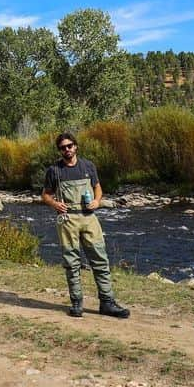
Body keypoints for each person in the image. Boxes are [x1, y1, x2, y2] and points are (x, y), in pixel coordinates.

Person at [41, 132, 130, 319]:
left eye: (69, 146)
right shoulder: (54, 171)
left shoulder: (88, 166)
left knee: (100, 260)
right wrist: (55, 204)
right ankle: (76, 303)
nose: (67, 149)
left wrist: (97, 201)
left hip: (90, 218)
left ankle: (107, 303)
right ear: (59, 150)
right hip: (67, 220)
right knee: (71, 263)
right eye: (63, 147)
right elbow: (45, 194)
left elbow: (97, 187)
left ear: (76, 146)